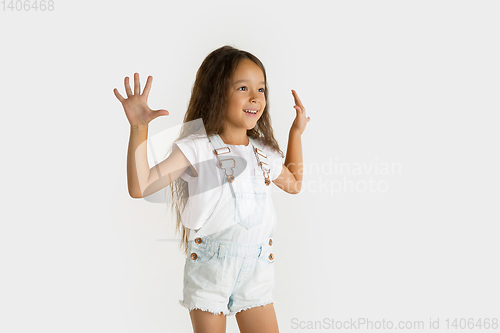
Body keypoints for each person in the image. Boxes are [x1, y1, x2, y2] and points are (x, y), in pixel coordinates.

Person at [114, 45, 310, 333]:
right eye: (243, 88)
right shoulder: (197, 148)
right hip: (211, 269)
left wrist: (295, 134)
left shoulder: (262, 152)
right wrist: (138, 129)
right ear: (218, 92)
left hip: (257, 270)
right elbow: (140, 186)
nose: (255, 97)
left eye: (261, 89)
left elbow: (293, 183)